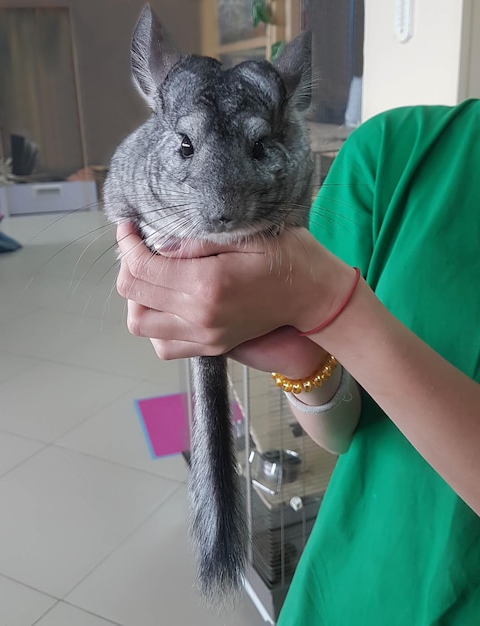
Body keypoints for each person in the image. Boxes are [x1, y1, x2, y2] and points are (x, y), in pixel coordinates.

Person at [115, 100, 480, 624]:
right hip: (350, 582)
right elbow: (343, 432)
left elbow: (322, 299)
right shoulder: (395, 149)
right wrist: (302, 357)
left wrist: (334, 308)